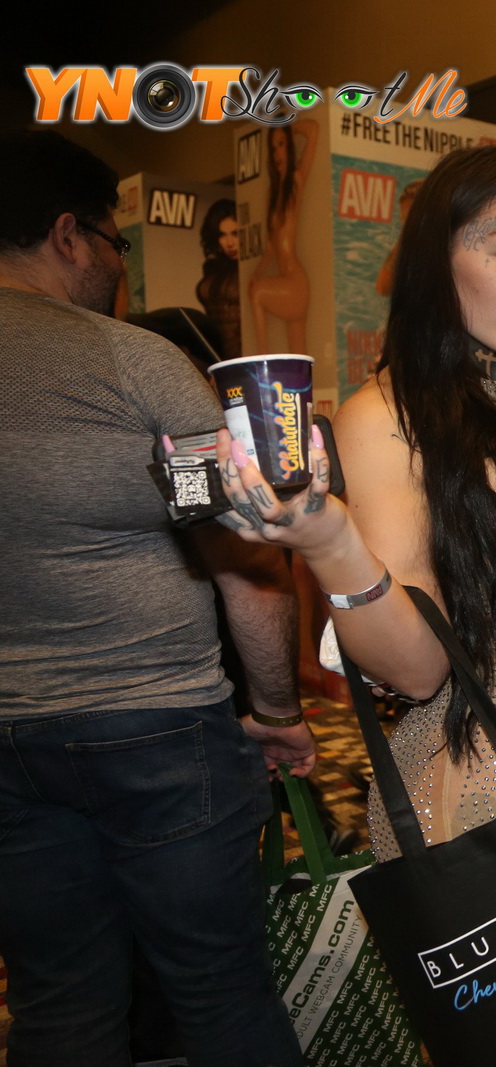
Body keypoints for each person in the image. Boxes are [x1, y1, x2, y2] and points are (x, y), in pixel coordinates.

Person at [211, 144, 496, 861]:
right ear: (435, 258)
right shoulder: (386, 418)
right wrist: (330, 543)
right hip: (474, 817)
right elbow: (415, 671)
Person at [0, 129, 312, 1067]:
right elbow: (240, 554)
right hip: (159, 726)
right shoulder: (131, 362)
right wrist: (278, 712)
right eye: (115, 241)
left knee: (58, 999)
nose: (119, 265)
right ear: (68, 235)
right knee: (218, 989)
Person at [249, 118, 316, 354]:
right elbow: (270, 247)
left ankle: (262, 358)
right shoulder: (274, 193)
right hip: (289, 283)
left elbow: (313, 129)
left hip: (296, 283)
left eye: (281, 144)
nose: (277, 152)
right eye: (273, 147)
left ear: (289, 145)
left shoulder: (295, 181)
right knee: (299, 355)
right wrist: (257, 273)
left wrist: (288, 128)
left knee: (258, 293)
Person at [195, 197, 242, 360]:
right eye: (222, 235)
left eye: (235, 233)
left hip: (246, 351)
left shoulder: (251, 268)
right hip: (216, 354)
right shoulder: (213, 267)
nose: (229, 243)